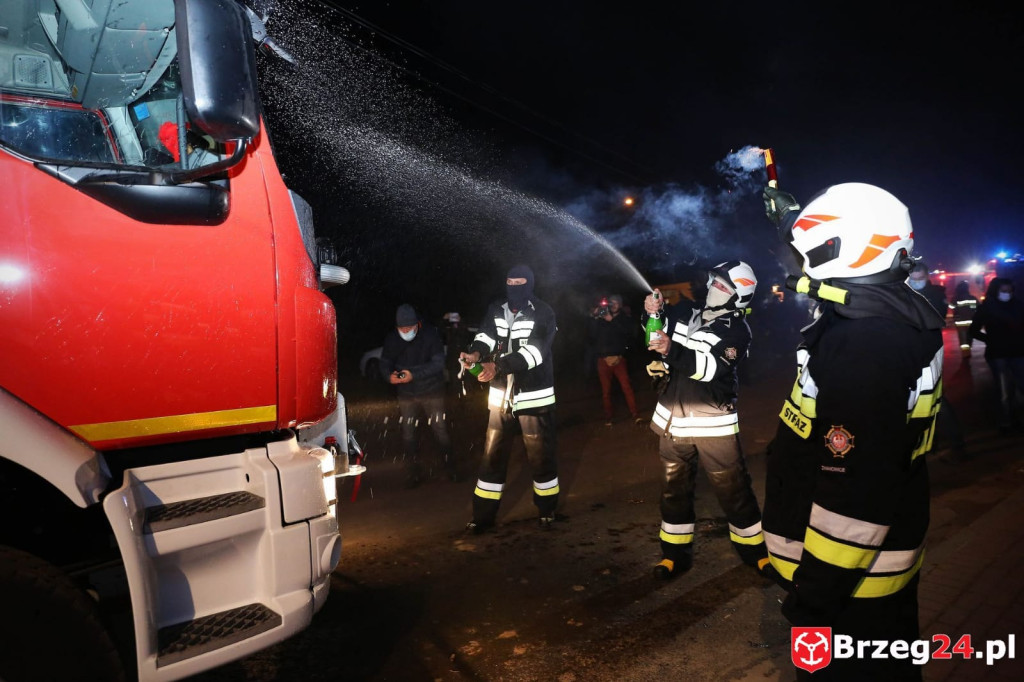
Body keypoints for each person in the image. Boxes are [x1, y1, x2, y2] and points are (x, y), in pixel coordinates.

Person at [762, 182, 945, 680]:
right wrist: (790, 220)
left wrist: (813, 600)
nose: (801, 264)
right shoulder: (897, 309)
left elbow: (854, 496)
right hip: (881, 571)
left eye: (812, 250)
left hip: (846, 588)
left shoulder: (863, 343)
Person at [642, 261, 769, 580]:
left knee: (734, 490)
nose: (713, 287)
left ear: (737, 297)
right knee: (674, 491)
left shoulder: (737, 332)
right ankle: (673, 555)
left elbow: (710, 369)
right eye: (714, 281)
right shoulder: (686, 311)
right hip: (673, 421)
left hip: (713, 424)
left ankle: (755, 552)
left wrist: (671, 350)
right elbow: (656, 336)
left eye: (722, 286)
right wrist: (652, 314)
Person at [460, 265, 560, 532]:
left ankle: (548, 510)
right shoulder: (496, 308)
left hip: (534, 397)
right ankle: (482, 517)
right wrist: (476, 354)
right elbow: (485, 336)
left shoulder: (544, 312)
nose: (514, 286)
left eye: (520, 282)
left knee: (540, 457)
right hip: (501, 396)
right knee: (492, 456)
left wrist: (498, 367)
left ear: (530, 285)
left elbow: (536, 352)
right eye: (510, 281)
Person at [379, 304, 455, 487]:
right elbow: (384, 361)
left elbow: (438, 363)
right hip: (406, 394)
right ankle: (413, 474)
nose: (405, 331)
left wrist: (414, 374)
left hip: (432, 392)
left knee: (440, 430)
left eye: (408, 328)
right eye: (401, 329)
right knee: (408, 433)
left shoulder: (430, 335)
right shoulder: (392, 339)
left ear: (417, 325)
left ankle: (450, 468)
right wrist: (388, 376)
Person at [908, 263, 967, 460]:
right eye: (913, 279)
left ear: (926, 276)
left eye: (920, 279)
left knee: (938, 400)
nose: (916, 282)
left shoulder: (934, 295)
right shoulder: (904, 293)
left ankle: (957, 444)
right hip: (909, 353)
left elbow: (935, 318)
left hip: (929, 353)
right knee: (916, 403)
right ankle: (930, 443)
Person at [970, 277, 1024, 432]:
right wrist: (991, 340)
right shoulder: (987, 308)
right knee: (1004, 391)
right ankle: (1006, 423)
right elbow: (973, 330)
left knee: (1020, 387)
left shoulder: (1019, 305)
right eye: (1004, 291)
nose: (1007, 293)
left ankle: (1017, 418)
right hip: (998, 354)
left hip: (1019, 352)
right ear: (996, 291)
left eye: (1009, 291)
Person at [588, 294, 642, 425]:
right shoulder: (601, 318)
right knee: (606, 392)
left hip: (619, 359)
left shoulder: (624, 318)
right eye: (611, 302)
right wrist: (594, 318)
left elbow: (627, 333)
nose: (613, 304)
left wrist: (612, 320)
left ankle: (635, 414)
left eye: (616, 302)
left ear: (620, 305)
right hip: (603, 359)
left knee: (626, 387)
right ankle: (608, 418)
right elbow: (592, 335)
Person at [952, 280, 978, 362]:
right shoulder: (972, 298)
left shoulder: (956, 298)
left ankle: (966, 354)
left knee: (963, 339)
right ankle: (968, 350)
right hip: (971, 321)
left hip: (960, 322)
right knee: (970, 337)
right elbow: (975, 308)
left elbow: (952, 307)